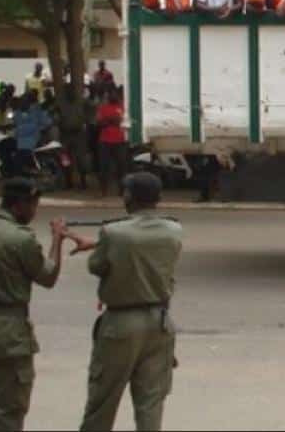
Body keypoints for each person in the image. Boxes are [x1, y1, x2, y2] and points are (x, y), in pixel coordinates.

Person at [71, 172, 184, 432]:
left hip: (120, 324)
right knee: (150, 404)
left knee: (103, 401)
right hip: (159, 322)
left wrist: (99, 245)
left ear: (129, 196)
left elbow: (97, 266)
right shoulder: (173, 230)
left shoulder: (113, 232)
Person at [0, 178, 68, 432]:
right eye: (34, 205)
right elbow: (48, 276)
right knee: (9, 411)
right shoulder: (20, 239)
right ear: (19, 205)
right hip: (8, 335)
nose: (35, 212)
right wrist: (57, 239)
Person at [96, 90, 129, 197]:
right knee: (103, 167)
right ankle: (103, 190)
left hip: (120, 141)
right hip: (105, 141)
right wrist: (113, 120)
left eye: (115, 94)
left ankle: (122, 190)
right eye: (111, 94)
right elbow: (100, 122)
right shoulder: (103, 108)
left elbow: (124, 121)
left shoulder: (123, 107)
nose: (113, 96)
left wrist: (110, 120)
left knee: (122, 167)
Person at [58, 87, 91, 190]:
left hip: (78, 134)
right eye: (68, 93)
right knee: (65, 159)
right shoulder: (62, 105)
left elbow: (86, 117)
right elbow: (58, 118)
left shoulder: (80, 104)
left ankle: (83, 181)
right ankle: (68, 182)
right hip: (66, 134)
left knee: (80, 159)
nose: (70, 95)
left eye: (71, 92)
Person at [12, 93, 50, 175]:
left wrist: (40, 128)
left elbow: (47, 122)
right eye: (21, 102)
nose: (22, 104)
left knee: (20, 159)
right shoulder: (17, 114)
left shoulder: (36, 112)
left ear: (28, 103)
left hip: (32, 142)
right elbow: (15, 125)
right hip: (20, 142)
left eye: (24, 102)